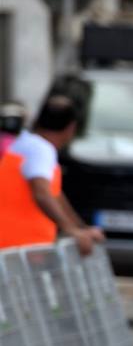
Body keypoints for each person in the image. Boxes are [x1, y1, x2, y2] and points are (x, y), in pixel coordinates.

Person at [0, 96, 104, 254]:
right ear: (71, 128)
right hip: (20, 246)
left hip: (19, 246)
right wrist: (72, 231)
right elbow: (42, 193)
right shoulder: (41, 149)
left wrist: (80, 227)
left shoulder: (27, 143)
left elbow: (54, 194)